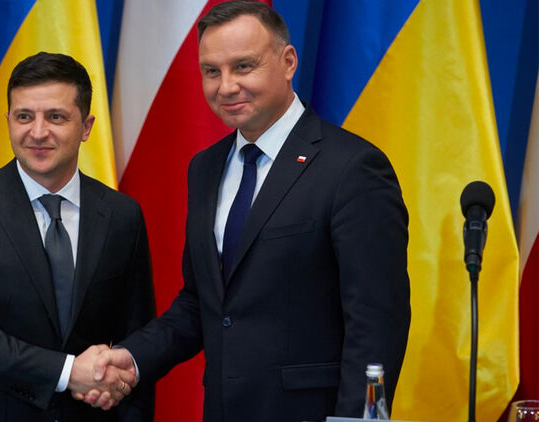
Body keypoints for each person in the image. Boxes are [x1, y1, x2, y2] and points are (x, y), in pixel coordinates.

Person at [86, 2, 410, 421]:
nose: (226, 86)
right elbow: (201, 301)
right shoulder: (205, 168)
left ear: (288, 62)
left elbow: (376, 322)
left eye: (243, 66)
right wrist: (133, 358)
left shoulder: (352, 168)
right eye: (211, 71)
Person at [0, 51, 156, 422]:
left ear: (86, 127)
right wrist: (68, 372)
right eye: (24, 116)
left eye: (55, 117)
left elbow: (138, 341)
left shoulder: (121, 215)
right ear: (8, 122)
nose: (37, 132)